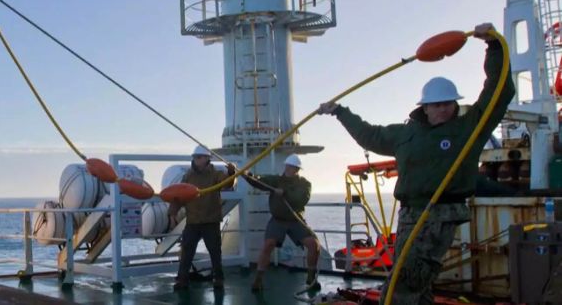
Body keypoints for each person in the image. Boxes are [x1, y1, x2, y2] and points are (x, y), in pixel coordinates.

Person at [317, 23, 515, 305]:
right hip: (409, 215)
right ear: (424, 107)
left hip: (440, 213)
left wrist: (493, 46)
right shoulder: (406, 133)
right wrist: (340, 111)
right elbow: (369, 134)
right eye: (436, 104)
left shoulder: (469, 128)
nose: (443, 108)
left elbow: (500, 91)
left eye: (448, 103)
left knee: (401, 285)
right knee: (417, 285)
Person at [242, 154, 319, 292]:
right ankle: (258, 280)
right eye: (288, 166)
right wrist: (246, 175)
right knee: (268, 245)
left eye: (293, 167)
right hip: (278, 220)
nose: (289, 169)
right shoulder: (276, 180)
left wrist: (284, 193)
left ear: (297, 169)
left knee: (314, 245)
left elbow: (301, 199)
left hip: (296, 220)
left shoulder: (305, 184)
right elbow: (259, 181)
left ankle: (311, 276)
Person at [169, 145, 237, 291]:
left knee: (214, 251)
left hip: (210, 221)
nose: (196, 159)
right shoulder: (187, 176)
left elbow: (228, 183)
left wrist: (232, 173)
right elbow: (180, 195)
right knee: (187, 251)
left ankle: (218, 278)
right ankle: (182, 280)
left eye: (199, 157)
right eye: (195, 157)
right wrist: (172, 212)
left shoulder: (215, 174)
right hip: (193, 220)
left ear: (207, 159)